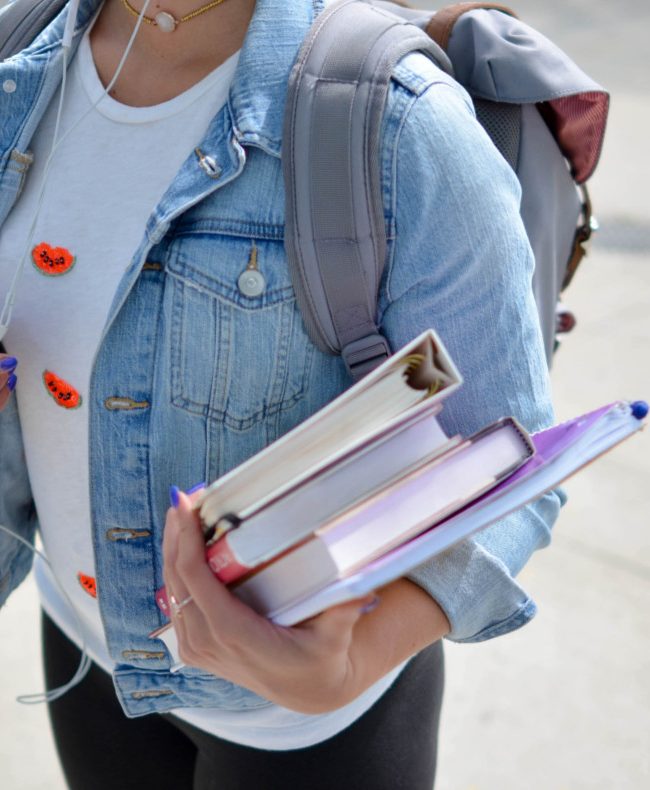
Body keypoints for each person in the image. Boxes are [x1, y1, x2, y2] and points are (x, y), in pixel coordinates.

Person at [0, 0, 563, 787]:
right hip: (86, 647)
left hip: (311, 722)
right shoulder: (19, 57)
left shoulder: (396, 123)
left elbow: (509, 461)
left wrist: (350, 662)